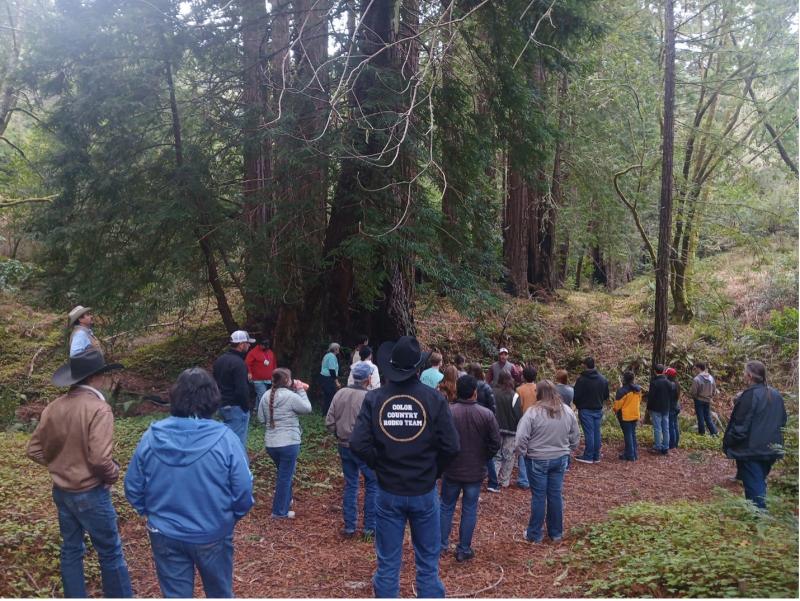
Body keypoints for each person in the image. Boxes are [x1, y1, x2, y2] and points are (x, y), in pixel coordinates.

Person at [124, 368, 254, 598]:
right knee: (220, 593)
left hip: (164, 532)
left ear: (175, 396)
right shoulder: (226, 439)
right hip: (212, 531)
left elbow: (133, 487)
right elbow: (243, 490)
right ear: (213, 398)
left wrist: (153, 514)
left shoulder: (151, 436)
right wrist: (229, 518)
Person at [350, 336, 460, 598]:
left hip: (389, 490)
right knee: (427, 567)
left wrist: (380, 464)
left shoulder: (376, 399)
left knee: (388, 565)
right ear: (417, 368)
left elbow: (358, 443)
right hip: (422, 491)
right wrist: (433, 471)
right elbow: (451, 447)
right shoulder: (433, 399)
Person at [26, 349, 132, 598]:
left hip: (62, 492)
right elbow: (99, 459)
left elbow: (33, 450)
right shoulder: (99, 409)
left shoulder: (53, 407)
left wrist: (61, 466)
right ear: (97, 377)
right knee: (110, 551)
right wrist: (113, 474)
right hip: (91, 493)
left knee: (71, 549)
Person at [439, 375, 501, 562]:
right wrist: (483, 457)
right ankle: (463, 548)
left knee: (446, 506)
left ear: (457, 391)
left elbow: (439, 440)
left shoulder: (448, 412)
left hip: (452, 468)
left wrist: (444, 460)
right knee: (469, 508)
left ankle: (441, 545)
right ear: (475, 392)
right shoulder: (486, 414)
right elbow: (495, 442)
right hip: (474, 470)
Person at [515, 380, 580, 544]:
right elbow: (575, 434)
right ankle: (556, 533)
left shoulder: (533, 412)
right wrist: (568, 448)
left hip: (537, 459)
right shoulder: (566, 410)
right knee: (555, 494)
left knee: (539, 496)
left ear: (539, 393)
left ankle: (535, 534)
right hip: (559, 459)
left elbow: (521, 438)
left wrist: (524, 453)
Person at [723, 361, 787, 510]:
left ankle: (758, 518)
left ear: (749, 375)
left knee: (754, 484)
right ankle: (757, 516)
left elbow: (740, 424)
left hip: (752, 449)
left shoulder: (750, 395)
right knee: (759, 481)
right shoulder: (775, 394)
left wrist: (729, 442)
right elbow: (783, 421)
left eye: (745, 373)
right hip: (771, 447)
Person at [326, 363, 378, 538]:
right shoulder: (371, 397)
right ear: (368, 379)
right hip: (364, 448)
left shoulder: (339, 393)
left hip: (344, 445)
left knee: (351, 484)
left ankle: (350, 527)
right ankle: (369, 528)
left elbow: (329, 421)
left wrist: (339, 435)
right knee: (372, 484)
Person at [257, 368, 312, 519]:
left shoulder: (266, 395)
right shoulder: (291, 396)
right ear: (287, 381)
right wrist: (301, 390)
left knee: (285, 473)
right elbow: (307, 408)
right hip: (289, 443)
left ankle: (286, 503)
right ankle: (279, 512)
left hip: (271, 444)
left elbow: (261, 419)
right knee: (285, 477)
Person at [213, 330, 255, 448]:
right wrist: (246, 407)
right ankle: (239, 466)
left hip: (222, 405)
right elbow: (241, 388)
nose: (249, 345)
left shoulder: (220, 360)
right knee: (237, 445)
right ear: (241, 344)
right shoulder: (239, 363)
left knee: (226, 441)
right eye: (247, 343)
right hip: (236, 407)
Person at [467, 363, 500, 493]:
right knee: (487, 454)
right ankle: (492, 482)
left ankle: (472, 478)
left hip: (469, 420)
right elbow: (492, 407)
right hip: (483, 421)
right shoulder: (486, 386)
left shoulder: (467, 385)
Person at [573, 357, 609, 464]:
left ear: (585, 365)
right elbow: (606, 395)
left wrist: (579, 405)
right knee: (596, 432)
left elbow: (576, 396)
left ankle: (588, 456)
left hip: (585, 409)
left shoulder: (581, 380)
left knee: (589, 433)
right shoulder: (603, 379)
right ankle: (596, 455)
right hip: (598, 409)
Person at [492, 370, 524, 488]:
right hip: (511, 429)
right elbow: (518, 414)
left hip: (496, 428)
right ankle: (504, 480)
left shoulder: (493, 393)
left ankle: (493, 478)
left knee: (496, 454)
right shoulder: (514, 395)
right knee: (509, 455)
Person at [612, 371, 642, 461]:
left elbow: (617, 406)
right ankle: (634, 454)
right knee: (632, 434)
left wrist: (615, 410)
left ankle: (630, 455)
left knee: (628, 435)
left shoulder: (622, 391)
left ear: (624, 379)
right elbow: (639, 401)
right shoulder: (638, 389)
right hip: (635, 414)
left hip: (625, 416)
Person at [647, 365, 673, 456]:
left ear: (655, 371)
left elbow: (651, 396)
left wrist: (648, 407)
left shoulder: (654, 383)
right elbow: (671, 394)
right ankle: (665, 447)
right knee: (666, 428)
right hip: (666, 408)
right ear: (663, 371)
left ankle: (658, 446)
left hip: (656, 408)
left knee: (657, 428)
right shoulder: (668, 383)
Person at [245, 338, 276, 411]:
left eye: (267, 346)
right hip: (257, 379)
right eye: (264, 346)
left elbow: (274, 364)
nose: (266, 347)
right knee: (262, 395)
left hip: (268, 379)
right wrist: (249, 372)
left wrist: (274, 374)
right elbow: (247, 364)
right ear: (260, 345)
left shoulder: (270, 352)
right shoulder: (253, 353)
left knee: (260, 395)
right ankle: (262, 412)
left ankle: (256, 409)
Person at [690, 361, 718, 436]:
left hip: (699, 400)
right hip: (708, 400)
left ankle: (702, 434)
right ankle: (714, 432)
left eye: (695, 368)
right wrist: (710, 396)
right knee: (708, 417)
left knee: (700, 417)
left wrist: (695, 397)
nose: (695, 370)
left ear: (699, 368)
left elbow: (693, 392)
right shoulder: (711, 378)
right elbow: (714, 390)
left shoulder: (696, 379)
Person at [320, 343, 341, 415]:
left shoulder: (327, 355)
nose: (339, 350)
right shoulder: (332, 357)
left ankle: (324, 413)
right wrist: (337, 382)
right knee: (331, 396)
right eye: (338, 348)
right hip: (328, 378)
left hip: (323, 378)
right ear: (335, 349)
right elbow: (332, 370)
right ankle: (329, 414)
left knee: (326, 396)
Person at [665, 367, 680, 449]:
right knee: (675, 425)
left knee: (671, 426)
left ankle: (672, 444)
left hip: (671, 408)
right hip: (676, 406)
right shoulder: (676, 383)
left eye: (666, 374)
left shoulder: (671, 385)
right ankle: (676, 443)